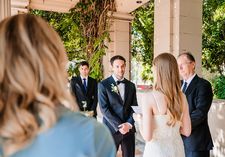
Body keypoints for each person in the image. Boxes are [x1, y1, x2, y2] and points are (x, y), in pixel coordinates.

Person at [0, 14, 116, 157]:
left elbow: (95, 97)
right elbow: (73, 94)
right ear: (56, 62)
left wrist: (90, 111)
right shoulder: (93, 135)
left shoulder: (93, 84)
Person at [134, 53, 191, 157]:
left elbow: (147, 137)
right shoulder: (182, 97)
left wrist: (139, 120)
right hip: (177, 151)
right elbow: (187, 131)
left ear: (158, 72)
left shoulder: (148, 97)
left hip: (156, 152)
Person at [98, 55, 138, 157]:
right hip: (112, 129)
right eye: (117, 66)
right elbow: (104, 109)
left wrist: (128, 124)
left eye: (123, 66)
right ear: (112, 67)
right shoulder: (103, 85)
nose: (121, 69)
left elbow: (134, 107)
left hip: (128, 130)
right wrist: (120, 125)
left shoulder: (131, 85)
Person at [177, 52, 213, 157]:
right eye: (178, 65)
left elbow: (200, 112)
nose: (180, 68)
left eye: (182, 64)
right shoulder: (177, 85)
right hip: (177, 141)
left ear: (193, 64)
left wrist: (181, 126)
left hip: (195, 142)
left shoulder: (203, 85)